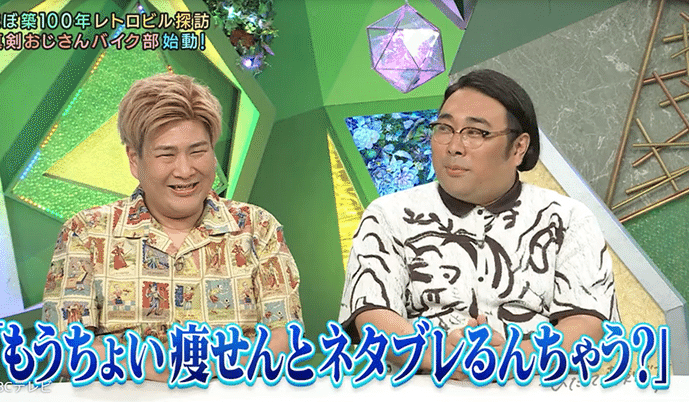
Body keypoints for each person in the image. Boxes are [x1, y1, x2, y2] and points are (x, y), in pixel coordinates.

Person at [338, 69, 618, 375]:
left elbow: (588, 324)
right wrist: (441, 357)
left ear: (518, 147)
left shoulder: (567, 219)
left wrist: (509, 359)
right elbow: (372, 315)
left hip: (534, 382)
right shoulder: (388, 214)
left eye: (475, 133)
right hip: (422, 381)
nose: (454, 146)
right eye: (444, 128)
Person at [42, 73, 303, 381]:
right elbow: (63, 350)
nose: (185, 170)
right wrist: (161, 367)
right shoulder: (86, 232)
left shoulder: (257, 229)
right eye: (166, 154)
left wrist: (199, 368)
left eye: (198, 151)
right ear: (134, 159)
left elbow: (286, 339)